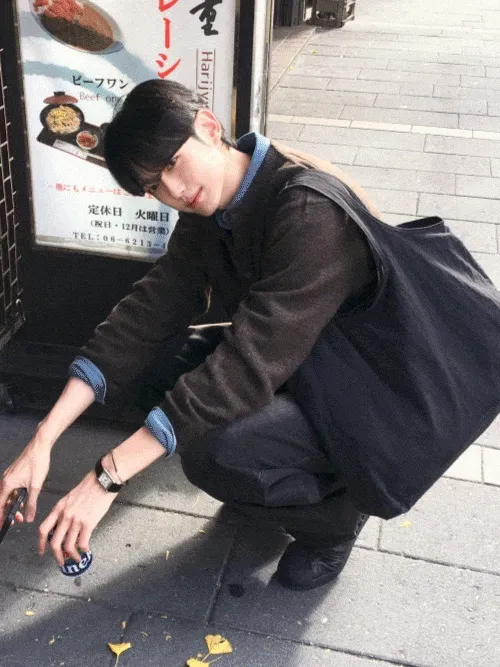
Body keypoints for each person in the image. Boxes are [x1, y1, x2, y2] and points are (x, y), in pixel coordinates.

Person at [0, 79, 381, 591]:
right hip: (295, 362)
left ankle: (335, 519)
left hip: (358, 393)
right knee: (149, 369)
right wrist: (43, 439)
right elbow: (148, 311)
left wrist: (107, 477)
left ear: (207, 125)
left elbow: (247, 366)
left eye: (173, 163)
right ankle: (271, 474)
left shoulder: (308, 211)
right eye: (153, 186)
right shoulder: (214, 203)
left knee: (215, 451)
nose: (174, 191)